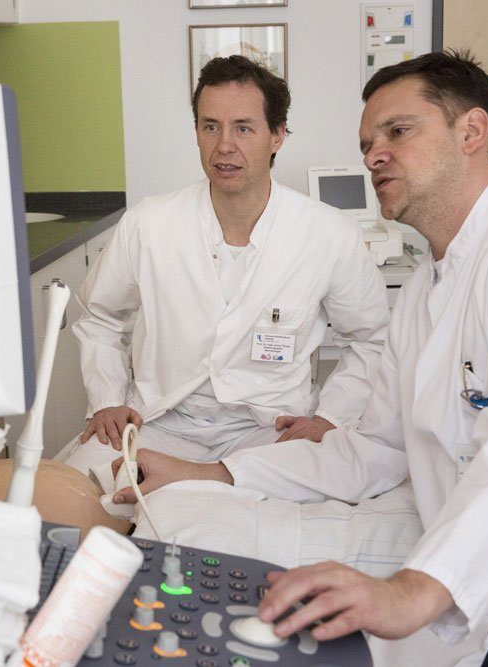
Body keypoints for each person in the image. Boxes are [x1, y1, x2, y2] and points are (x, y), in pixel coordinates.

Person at [113, 51, 488, 665]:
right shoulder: (427, 289)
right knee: (199, 533)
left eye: (397, 132)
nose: (374, 154)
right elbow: (371, 451)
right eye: (368, 141)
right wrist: (211, 474)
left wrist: (411, 592)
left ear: (472, 133)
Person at [57, 56, 390, 479]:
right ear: (196, 133)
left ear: (277, 136)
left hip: (270, 430)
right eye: (210, 126)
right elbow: (99, 314)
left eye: (243, 128)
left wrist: (330, 417)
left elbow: (372, 338)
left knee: (320, 487)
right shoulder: (149, 224)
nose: (224, 145)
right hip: (160, 420)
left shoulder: (327, 234)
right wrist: (106, 399)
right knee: (79, 484)